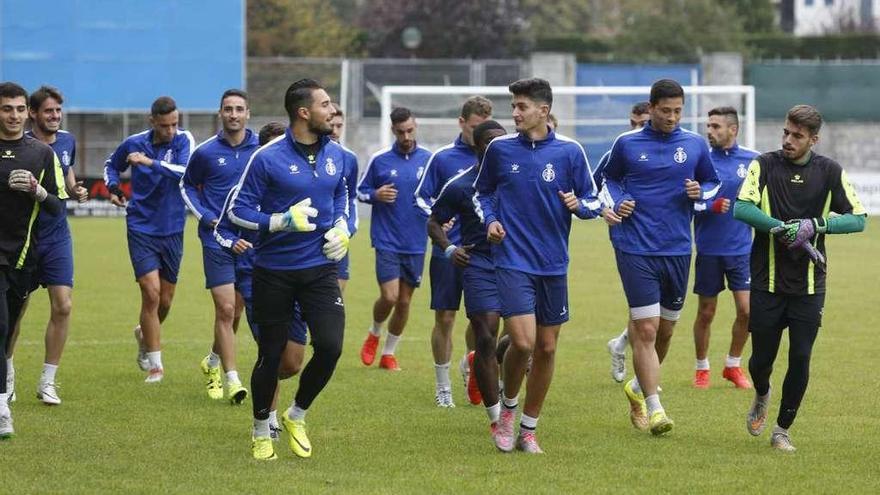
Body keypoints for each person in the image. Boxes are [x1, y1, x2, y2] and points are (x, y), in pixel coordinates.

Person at [475, 78, 602, 453]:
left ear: (543, 111)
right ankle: (508, 411)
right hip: (512, 259)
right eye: (513, 106)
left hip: (553, 263)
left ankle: (529, 429)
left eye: (522, 107)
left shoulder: (570, 152)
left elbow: (595, 201)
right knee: (523, 341)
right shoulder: (499, 149)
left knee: (546, 348)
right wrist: (490, 222)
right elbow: (482, 194)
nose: (514, 113)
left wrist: (579, 206)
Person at [228, 79, 350, 461]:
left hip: (320, 271)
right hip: (273, 272)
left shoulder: (341, 155)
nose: (332, 111)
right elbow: (237, 211)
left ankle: (297, 414)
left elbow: (343, 194)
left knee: (330, 347)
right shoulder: (266, 158)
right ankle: (261, 427)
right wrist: (279, 221)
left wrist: (346, 228)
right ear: (303, 112)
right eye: (326, 104)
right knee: (272, 355)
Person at [734, 104, 866, 452]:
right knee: (761, 361)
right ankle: (762, 392)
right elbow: (741, 208)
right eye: (786, 133)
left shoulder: (829, 171)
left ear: (813, 139)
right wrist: (780, 228)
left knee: (801, 356)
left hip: (809, 285)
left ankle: (781, 430)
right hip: (767, 281)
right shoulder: (763, 165)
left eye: (797, 136)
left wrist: (815, 225)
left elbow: (859, 218)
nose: (788, 140)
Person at [602, 79, 720, 435]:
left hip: (678, 247)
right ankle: (655, 408)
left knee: (666, 330)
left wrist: (700, 193)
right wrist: (616, 202)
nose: (671, 117)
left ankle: (638, 388)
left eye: (677, 111)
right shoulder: (627, 143)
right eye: (665, 111)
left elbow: (713, 184)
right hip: (635, 245)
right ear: (651, 108)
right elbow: (605, 180)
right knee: (648, 328)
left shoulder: (695, 145)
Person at [428, 119, 509, 448]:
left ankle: (478, 361)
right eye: (492, 143)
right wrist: (449, 248)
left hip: (519, 264)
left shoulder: (517, 179)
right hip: (480, 264)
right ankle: (496, 419)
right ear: (478, 147)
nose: (500, 149)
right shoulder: (461, 185)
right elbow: (434, 221)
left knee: (523, 341)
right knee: (487, 334)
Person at [5, 86, 87, 406]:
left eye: (58, 111)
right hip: (23, 237)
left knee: (63, 305)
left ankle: (48, 381)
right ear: (33, 114)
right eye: (48, 111)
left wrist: (75, 189)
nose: (55, 117)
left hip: (56, 235)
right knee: (16, 310)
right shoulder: (19, 145)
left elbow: (64, 175)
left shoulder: (67, 141)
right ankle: (7, 375)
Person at [104, 96, 194, 383]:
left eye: (174, 124)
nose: (171, 130)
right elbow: (111, 165)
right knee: (151, 292)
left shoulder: (183, 140)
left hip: (173, 228)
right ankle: (156, 365)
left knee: (165, 301)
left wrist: (149, 162)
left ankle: (144, 335)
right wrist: (114, 187)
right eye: (165, 125)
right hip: (141, 225)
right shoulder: (133, 142)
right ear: (152, 121)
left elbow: (185, 172)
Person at [180, 89, 259, 403]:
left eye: (240, 109)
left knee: (236, 311)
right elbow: (187, 185)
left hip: (250, 240)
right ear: (220, 114)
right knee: (226, 309)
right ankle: (232, 379)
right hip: (216, 239)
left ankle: (212, 361)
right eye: (228, 109)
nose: (234, 115)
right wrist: (207, 216)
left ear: (248, 114)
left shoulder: (261, 151)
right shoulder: (205, 152)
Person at [415, 96, 492, 407]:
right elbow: (421, 197)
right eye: (475, 128)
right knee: (445, 317)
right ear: (461, 123)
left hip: (481, 255)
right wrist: (440, 226)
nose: (480, 135)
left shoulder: (495, 158)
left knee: (481, 322)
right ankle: (443, 384)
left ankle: (472, 368)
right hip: (447, 252)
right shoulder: (443, 158)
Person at [0, 81, 68, 437]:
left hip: (23, 255)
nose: (13, 115)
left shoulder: (41, 154)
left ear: (27, 113)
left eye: (18, 109)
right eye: (6, 109)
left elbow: (57, 206)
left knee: (9, 326)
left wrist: (37, 190)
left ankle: (9, 374)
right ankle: (1, 409)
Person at [356, 107, 432, 371]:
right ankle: (375, 332)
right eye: (401, 132)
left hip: (417, 241)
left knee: (404, 301)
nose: (406, 136)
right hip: (387, 239)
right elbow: (360, 191)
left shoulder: (429, 160)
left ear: (416, 126)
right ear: (393, 131)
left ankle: (389, 354)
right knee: (389, 297)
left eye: (410, 130)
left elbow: (439, 195)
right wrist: (376, 194)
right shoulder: (380, 160)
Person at [690, 107, 758, 389]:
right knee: (706, 312)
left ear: (733, 129)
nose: (710, 131)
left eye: (716, 126)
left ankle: (733, 365)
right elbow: (686, 203)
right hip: (708, 250)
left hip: (741, 250)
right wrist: (710, 206)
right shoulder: (700, 161)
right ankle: (702, 368)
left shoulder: (753, 161)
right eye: (709, 126)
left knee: (747, 311)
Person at [599, 101, 650, 384]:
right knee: (643, 307)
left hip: (663, 239)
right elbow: (594, 187)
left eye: (641, 124)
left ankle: (620, 344)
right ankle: (646, 371)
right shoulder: (617, 152)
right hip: (626, 235)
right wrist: (605, 209)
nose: (635, 129)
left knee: (656, 310)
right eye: (632, 123)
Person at [328, 103, 359, 292]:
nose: (335, 130)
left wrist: (347, 229)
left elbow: (351, 197)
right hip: (308, 238)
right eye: (332, 124)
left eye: (339, 126)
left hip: (338, 239)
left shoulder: (349, 158)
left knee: (335, 304)